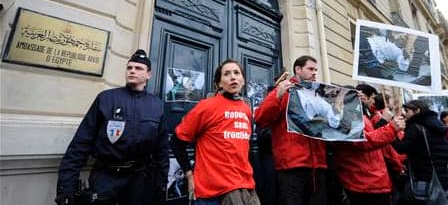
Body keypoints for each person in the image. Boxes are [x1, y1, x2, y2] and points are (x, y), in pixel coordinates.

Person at [55, 49, 169, 205]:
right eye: (129, 68)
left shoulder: (156, 105)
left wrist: (161, 185)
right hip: (105, 177)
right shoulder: (106, 98)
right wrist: (66, 185)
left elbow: (161, 151)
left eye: (138, 68)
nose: (132, 71)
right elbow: (81, 143)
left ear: (148, 75)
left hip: (139, 180)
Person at [171, 59, 259, 205]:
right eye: (227, 74)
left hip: (244, 187)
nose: (232, 77)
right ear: (219, 83)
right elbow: (176, 141)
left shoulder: (246, 109)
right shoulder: (206, 106)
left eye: (237, 73)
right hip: (212, 193)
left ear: (243, 80)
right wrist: (189, 174)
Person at [255, 55, 327, 205]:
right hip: (292, 167)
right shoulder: (284, 92)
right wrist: (277, 94)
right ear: (298, 69)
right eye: (310, 69)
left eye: (316, 70)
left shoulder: (319, 95)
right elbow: (260, 118)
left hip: (318, 167)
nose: (314, 73)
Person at [331, 84, 406, 205]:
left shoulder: (360, 115)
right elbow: (363, 142)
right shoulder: (339, 118)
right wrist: (390, 128)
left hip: (375, 180)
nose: (372, 101)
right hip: (362, 183)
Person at [392, 100, 448, 200]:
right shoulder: (438, 125)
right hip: (441, 177)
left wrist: (392, 133)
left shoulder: (415, 126)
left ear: (417, 110)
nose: (405, 113)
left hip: (423, 177)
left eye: (407, 110)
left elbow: (401, 148)